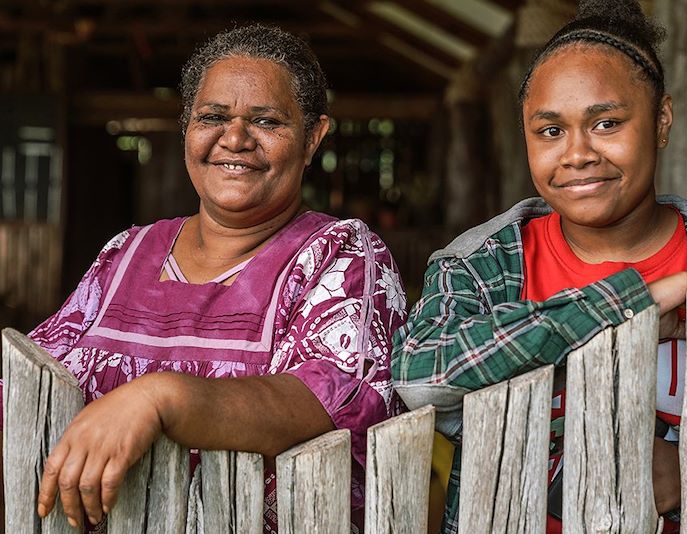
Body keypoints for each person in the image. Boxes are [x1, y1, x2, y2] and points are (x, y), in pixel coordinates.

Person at [0, 24, 407, 533]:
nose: (234, 139)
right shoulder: (126, 253)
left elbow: (334, 398)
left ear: (313, 137)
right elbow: (30, 380)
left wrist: (162, 397)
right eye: (213, 117)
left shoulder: (341, 254)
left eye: (267, 121)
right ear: (186, 127)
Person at [390, 1, 687, 533]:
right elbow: (421, 378)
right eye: (550, 131)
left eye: (607, 123)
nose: (577, 153)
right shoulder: (482, 264)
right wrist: (632, 303)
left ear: (661, 120)